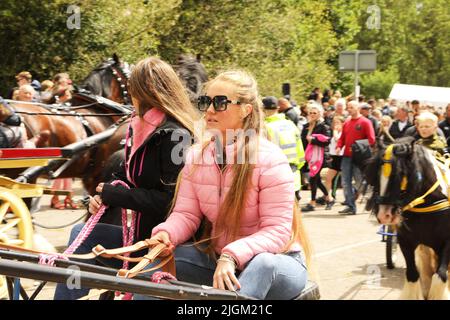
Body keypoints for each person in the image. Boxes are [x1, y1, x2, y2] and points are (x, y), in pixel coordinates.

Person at [137, 70, 311, 300]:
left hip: (279, 264)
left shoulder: (270, 159)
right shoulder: (196, 156)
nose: (209, 110)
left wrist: (231, 255)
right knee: (150, 270)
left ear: (246, 109)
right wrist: (166, 234)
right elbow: (186, 215)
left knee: (263, 264)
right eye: (205, 101)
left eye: (220, 103)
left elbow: (277, 232)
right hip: (220, 262)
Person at [53, 57, 198, 300]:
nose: (130, 94)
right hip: (138, 234)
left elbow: (170, 202)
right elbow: (127, 175)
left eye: (133, 88)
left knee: (85, 238)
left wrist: (116, 195)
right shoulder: (139, 126)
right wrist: (101, 197)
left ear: (146, 91)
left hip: (161, 243)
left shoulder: (176, 136)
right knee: (82, 232)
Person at [336, 100, 375, 215]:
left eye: (351, 107)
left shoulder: (365, 122)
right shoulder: (346, 122)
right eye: (348, 107)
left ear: (358, 108)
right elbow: (342, 138)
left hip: (360, 158)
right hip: (346, 157)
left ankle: (371, 198)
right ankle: (350, 205)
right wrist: (339, 146)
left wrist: (356, 146)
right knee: (345, 181)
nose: (349, 109)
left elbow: (372, 140)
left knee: (359, 181)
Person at [262, 96, 305, 201]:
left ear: (262, 110)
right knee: (294, 210)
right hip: (293, 172)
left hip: (274, 174)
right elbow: (300, 148)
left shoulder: (264, 127)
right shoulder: (290, 124)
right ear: (278, 108)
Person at [301, 103, 332, 212]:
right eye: (310, 113)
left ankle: (312, 202)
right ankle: (328, 198)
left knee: (313, 179)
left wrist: (313, 140)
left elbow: (327, 141)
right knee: (317, 180)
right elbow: (303, 142)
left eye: (315, 113)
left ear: (319, 114)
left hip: (320, 157)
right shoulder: (306, 126)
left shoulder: (324, 126)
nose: (312, 115)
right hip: (309, 157)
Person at [323, 116, 345, 210]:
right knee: (328, 178)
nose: (335, 125)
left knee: (343, 181)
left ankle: (354, 193)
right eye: (334, 123)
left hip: (343, 157)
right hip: (335, 158)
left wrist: (335, 131)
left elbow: (337, 140)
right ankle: (329, 198)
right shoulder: (334, 133)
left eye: (337, 122)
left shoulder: (342, 132)